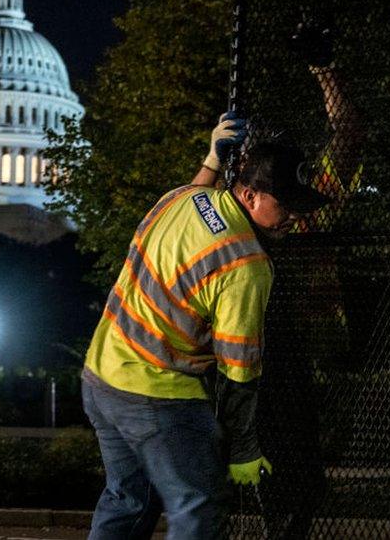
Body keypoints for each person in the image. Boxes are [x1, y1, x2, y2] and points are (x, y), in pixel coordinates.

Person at [81, 97, 335, 538]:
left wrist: (212, 158)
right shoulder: (246, 265)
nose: (295, 217)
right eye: (286, 204)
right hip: (157, 392)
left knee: (127, 500)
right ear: (250, 195)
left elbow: (196, 191)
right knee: (197, 507)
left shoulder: (181, 199)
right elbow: (238, 375)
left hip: (101, 376)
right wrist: (244, 448)